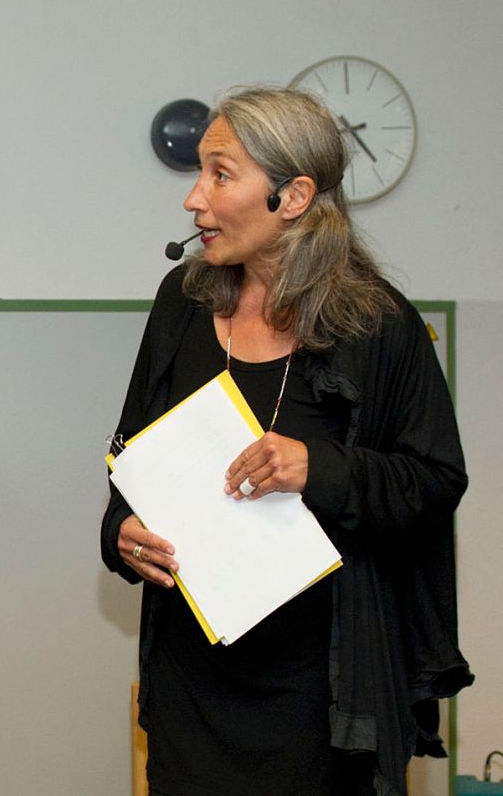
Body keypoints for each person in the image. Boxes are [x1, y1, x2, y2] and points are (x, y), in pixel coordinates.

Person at [101, 86, 471, 796]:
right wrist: (122, 532)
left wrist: (319, 466)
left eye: (220, 172)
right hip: (191, 683)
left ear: (293, 195)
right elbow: (128, 460)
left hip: (321, 696)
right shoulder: (180, 303)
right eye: (198, 172)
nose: (193, 199)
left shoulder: (379, 323)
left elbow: (434, 480)